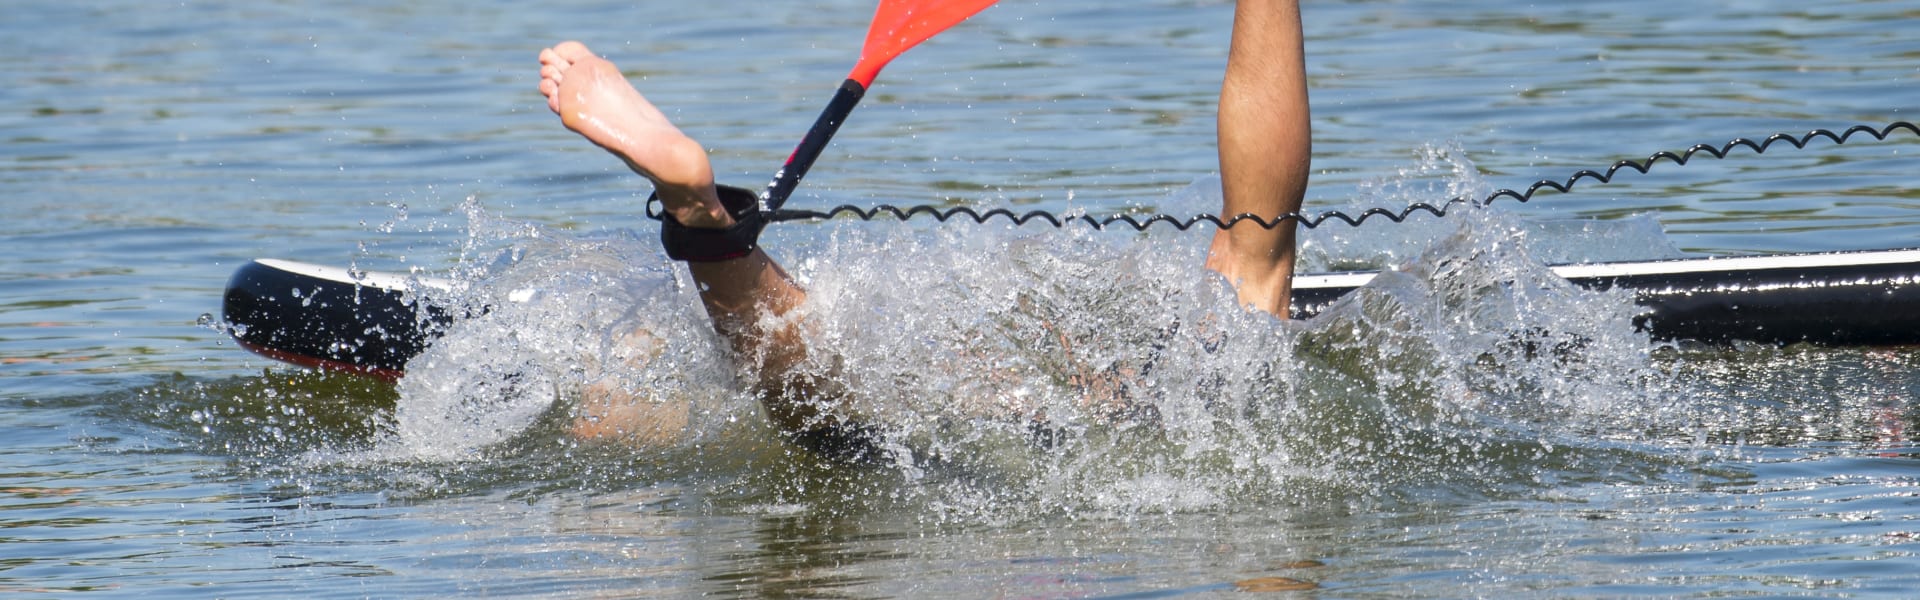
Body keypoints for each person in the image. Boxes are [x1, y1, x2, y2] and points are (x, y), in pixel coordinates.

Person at [537, 0, 1309, 446]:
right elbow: (1260, 237)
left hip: (977, 388)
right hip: (1067, 446)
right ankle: (706, 229)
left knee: (818, 410)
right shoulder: (1205, 376)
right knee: (1254, 256)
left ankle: (706, 227)